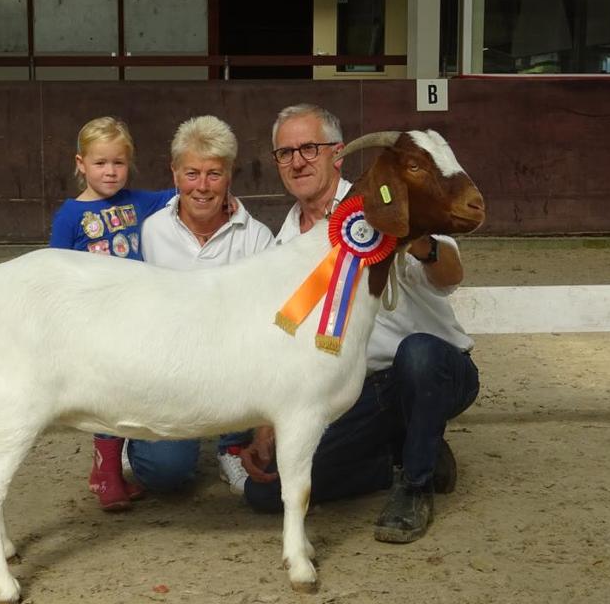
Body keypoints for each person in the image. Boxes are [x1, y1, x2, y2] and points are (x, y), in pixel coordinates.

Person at [239, 103, 480, 544]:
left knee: (418, 355)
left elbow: (451, 277)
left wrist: (419, 244)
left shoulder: (390, 201)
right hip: (355, 394)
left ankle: (415, 487)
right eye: (285, 152)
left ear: (338, 154)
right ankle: (401, 455)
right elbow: (283, 347)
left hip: (434, 371)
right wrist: (266, 426)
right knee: (263, 494)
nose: (298, 161)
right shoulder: (282, 244)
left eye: (310, 148)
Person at [127, 114, 274, 494]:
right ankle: (141, 441)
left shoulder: (258, 238)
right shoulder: (150, 231)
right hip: (168, 376)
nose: (203, 187)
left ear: (230, 175)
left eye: (214, 174)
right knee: (165, 474)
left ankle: (232, 445)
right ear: (174, 174)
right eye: (192, 173)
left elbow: (270, 329)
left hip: (235, 375)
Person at [48, 116, 175, 512]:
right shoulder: (70, 214)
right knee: (107, 393)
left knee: (132, 388)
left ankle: (119, 462)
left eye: (118, 163)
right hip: (93, 320)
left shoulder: (139, 201)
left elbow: (182, 193)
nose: (110, 171)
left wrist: (222, 196)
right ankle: (106, 471)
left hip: (135, 317)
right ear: (80, 163)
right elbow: (54, 267)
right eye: (100, 163)